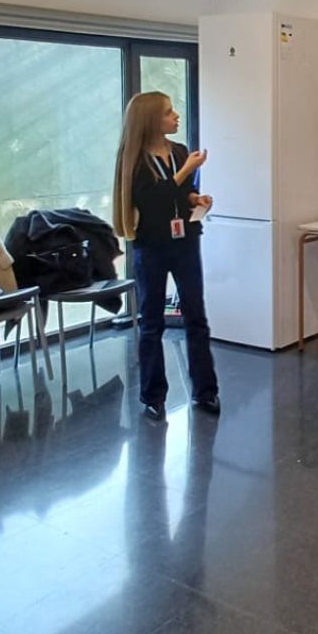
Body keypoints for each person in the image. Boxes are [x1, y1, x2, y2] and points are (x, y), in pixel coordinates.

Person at [113, 92, 220, 421]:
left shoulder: (178, 151)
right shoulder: (135, 159)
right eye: (169, 112)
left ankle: (205, 391)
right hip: (151, 246)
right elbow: (154, 199)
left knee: (196, 317)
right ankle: (153, 395)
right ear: (151, 120)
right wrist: (186, 170)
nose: (176, 117)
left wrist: (195, 199)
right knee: (151, 322)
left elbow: (179, 193)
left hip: (185, 241)